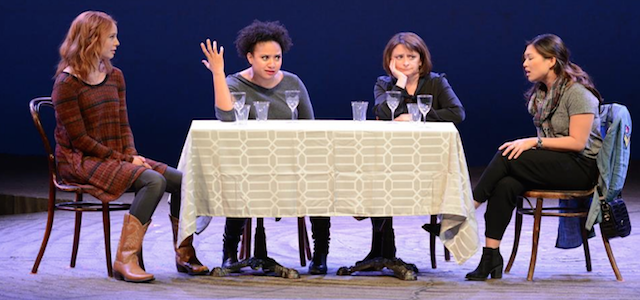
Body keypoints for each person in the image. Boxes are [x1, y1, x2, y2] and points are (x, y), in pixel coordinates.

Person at [51, 11, 208, 283]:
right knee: (153, 182)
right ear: (92, 40)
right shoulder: (67, 84)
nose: (117, 42)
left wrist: (132, 155)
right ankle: (125, 259)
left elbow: (123, 125)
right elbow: (80, 141)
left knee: (183, 181)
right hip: (82, 161)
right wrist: (123, 159)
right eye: (111, 37)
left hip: (117, 156)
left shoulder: (115, 76)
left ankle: (184, 252)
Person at [467, 33, 602, 281]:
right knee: (506, 185)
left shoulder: (577, 92)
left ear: (551, 60)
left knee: (507, 155)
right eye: (524, 59)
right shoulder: (541, 95)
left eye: (530, 58)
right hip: (557, 163)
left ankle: (466, 209)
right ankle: (491, 257)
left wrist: (533, 142)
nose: (524, 64)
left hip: (581, 168)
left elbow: (577, 142)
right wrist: (534, 145)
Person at [200, 20, 331, 275]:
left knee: (320, 181)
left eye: (277, 57)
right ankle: (230, 253)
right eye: (265, 57)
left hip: (291, 163)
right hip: (252, 162)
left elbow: (310, 126)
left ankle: (321, 254)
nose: (272, 64)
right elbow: (226, 117)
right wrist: (218, 74)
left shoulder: (293, 82)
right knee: (240, 179)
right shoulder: (237, 84)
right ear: (250, 57)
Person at [367, 32, 465, 262]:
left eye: (411, 56)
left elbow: (457, 113)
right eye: (399, 57)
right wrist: (400, 83)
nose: (405, 62)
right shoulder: (384, 83)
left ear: (421, 59)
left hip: (427, 160)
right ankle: (382, 249)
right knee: (375, 176)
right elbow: (382, 112)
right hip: (391, 157)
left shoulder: (436, 81)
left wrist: (415, 117)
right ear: (390, 61)